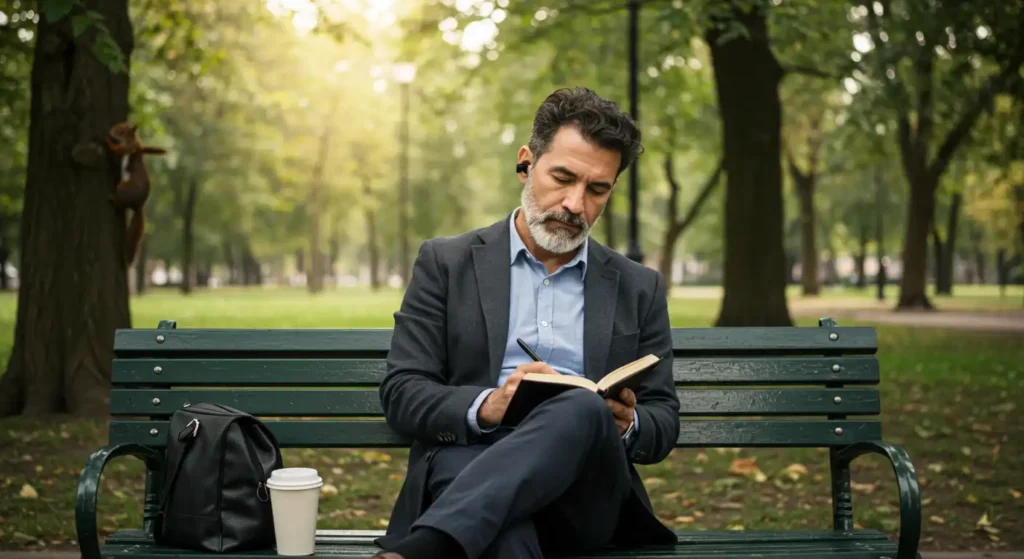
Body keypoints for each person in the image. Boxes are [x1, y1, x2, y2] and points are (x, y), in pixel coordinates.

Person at [373, 87, 680, 559]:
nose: (575, 204)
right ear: (526, 162)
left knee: (581, 408)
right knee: (505, 539)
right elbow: (403, 391)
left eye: (597, 189)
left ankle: (423, 550)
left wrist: (626, 423)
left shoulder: (638, 286)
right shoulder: (446, 263)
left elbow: (662, 419)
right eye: (562, 177)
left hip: (584, 497)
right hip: (468, 467)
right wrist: (489, 405)